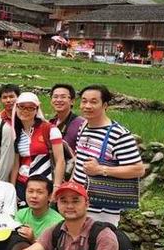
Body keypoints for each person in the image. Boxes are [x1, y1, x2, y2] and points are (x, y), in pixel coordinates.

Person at [74, 85, 145, 226]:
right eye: (84, 101)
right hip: (78, 203)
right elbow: (79, 164)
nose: (87, 106)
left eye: (94, 102)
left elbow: (138, 170)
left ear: (105, 105)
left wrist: (100, 169)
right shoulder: (83, 127)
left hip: (101, 210)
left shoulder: (119, 135)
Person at [11, 92, 65, 204]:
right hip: (22, 184)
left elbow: (60, 160)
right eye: (21, 107)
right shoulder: (16, 132)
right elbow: (16, 164)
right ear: (16, 108)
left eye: (30, 108)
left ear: (36, 110)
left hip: (44, 184)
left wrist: (56, 187)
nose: (25, 111)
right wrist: (12, 189)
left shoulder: (49, 129)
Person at [49, 83, 86, 166]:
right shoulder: (50, 122)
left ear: (72, 101)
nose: (58, 100)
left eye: (63, 97)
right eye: (55, 97)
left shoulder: (81, 124)